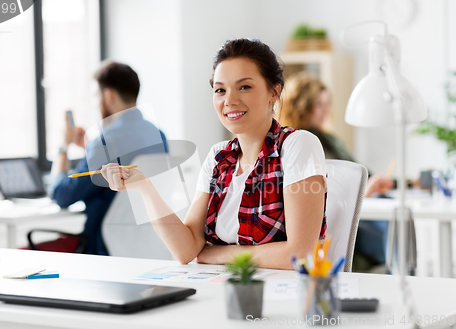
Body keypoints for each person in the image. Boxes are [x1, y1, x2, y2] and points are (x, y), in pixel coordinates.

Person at [101, 38, 327, 270]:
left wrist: (219, 254)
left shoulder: (297, 145)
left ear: (274, 92)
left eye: (244, 87)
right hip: (223, 286)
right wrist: (145, 188)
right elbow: (186, 250)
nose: (229, 100)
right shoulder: (219, 157)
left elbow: (301, 254)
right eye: (220, 90)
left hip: (278, 293)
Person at [276, 71, 392, 270]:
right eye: (319, 104)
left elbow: (363, 174)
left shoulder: (330, 139)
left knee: (396, 224)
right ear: (301, 106)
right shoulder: (299, 145)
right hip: (333, 219)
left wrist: (403, 183)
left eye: (327, 104)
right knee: (392, 234)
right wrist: (365, 192)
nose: (325, 111)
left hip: (359, 209)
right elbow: (324, 194)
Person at [50, 61, 167, 255]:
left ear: (108, 96)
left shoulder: (105, 143)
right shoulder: (158, 135)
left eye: (96, 96)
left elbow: (62, 195)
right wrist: (90, 148)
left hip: (103, 248)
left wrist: (63, 147)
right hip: (148, 246)